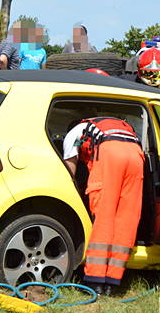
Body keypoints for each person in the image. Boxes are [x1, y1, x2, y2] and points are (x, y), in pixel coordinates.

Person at [62, 116, 144, 295]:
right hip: (136, 155)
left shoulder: (75, 133)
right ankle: (113, 283)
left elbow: (69, 172)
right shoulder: (116, 126)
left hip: (109, 154)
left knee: (104, 219)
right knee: (126, 220)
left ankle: (94, 281)